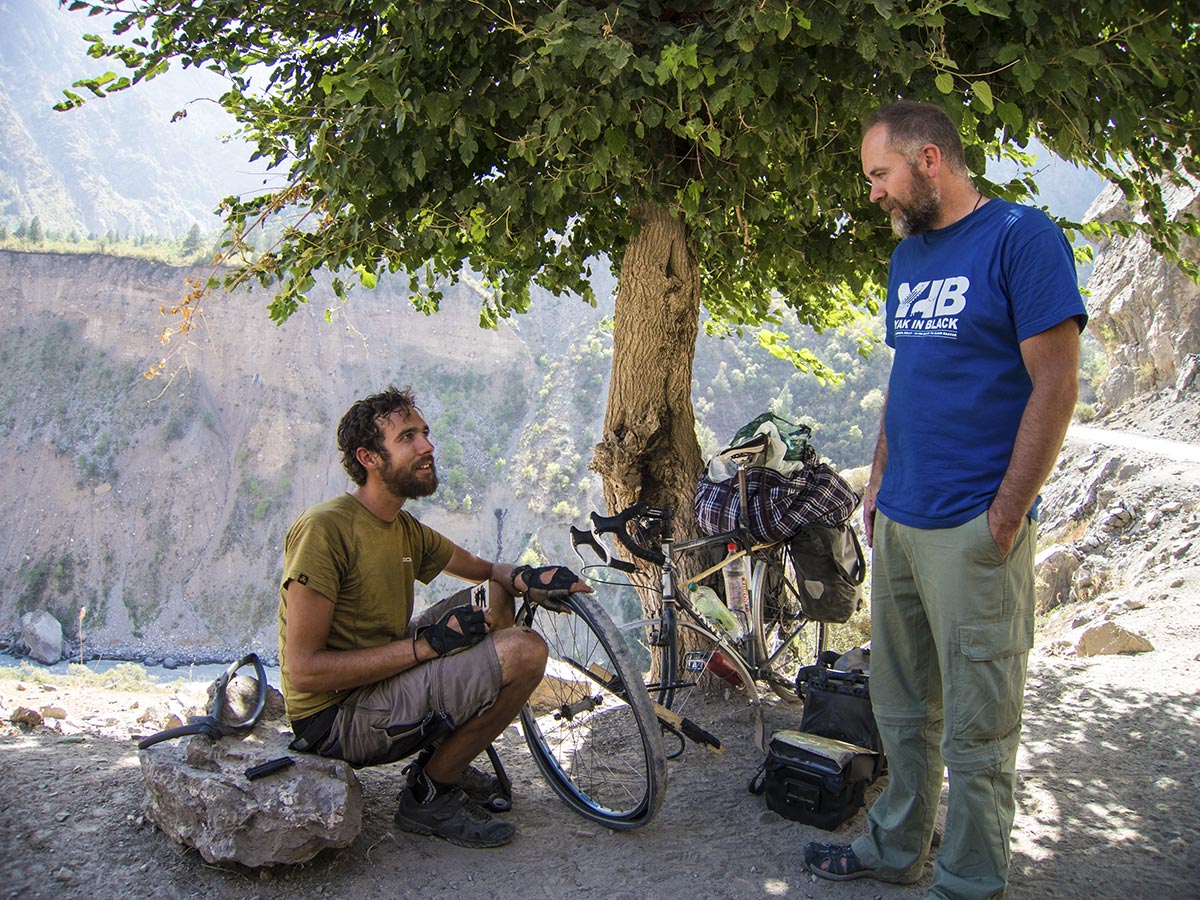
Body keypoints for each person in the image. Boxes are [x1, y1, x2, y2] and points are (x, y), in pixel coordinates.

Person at [803, 100, 1087, 898]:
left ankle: (967, 878)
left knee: (979, 725)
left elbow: (1056, 385)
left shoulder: (1021, 238)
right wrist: (881, 472)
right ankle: (897, 850)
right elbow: (911, 373)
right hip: (900, 518)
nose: (875, 194)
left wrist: (1005, 515)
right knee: (900, 708)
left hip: (973, 527)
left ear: (929, 160)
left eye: (880, 174)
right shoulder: (910, 258)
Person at [277, 385, 588, 849]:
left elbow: (487, 573)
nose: (427, 446)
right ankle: (430, 792)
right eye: (407, 438)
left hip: (378, 686)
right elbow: (303, 671)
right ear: (368, 457)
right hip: (336, 718)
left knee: (495, 595)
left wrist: (525, 577)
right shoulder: (326, 529)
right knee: (525, 652)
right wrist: (425, 647)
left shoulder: (402, 528)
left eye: (424, 433)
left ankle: (448, 755)